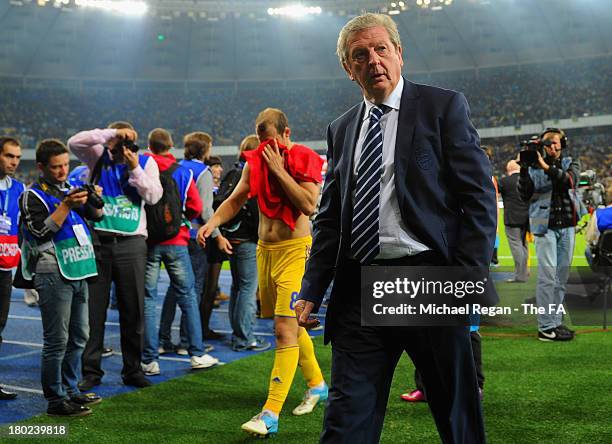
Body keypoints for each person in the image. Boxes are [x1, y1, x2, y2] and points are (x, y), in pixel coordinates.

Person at [294, 13, 497, 443]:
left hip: (428, 279)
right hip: (359, 284)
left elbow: (477, 199)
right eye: (360, 55)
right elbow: (330, 215)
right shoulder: (342, 128)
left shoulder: (443, 106)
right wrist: (313, 287)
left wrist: (464, 280)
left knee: (456, 415)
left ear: (399, 54)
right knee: (347, 418)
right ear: (349, 70)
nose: (374, 60)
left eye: (381, 49)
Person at [198, 108, 328, 437]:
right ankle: (317, 384)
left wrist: (279, 170)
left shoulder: (303, 157)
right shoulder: (255, 161)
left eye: (269, 140)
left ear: (286, 133)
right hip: (264, 252)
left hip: (296, 253)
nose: (265, 147)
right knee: (290, 328)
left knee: (285, 329)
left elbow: (309, 205)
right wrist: (212, 222)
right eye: (260, 141)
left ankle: (269, 414)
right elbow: (235, 199)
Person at [68, 121, 163, 390]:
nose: (122, 147)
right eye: (118, 142)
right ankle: (91, 371)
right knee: (93, 311)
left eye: (127, 141)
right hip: (98, 241)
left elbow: (154, 196)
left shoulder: (145, 162)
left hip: (132, 242)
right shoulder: (97, 156)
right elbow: (75, 141)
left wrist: (134, 167)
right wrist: (110, 135)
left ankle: (132, 370)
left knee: (133, 310)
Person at [20, 139, 103, 416]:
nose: (63, 171)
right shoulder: (33, 195)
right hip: (53, 271)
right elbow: (40, 232)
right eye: (56, 167)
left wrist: (93, 198)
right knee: (56, 341)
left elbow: (98, 215)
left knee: (80, 336)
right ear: (41, 167)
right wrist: (67, 205)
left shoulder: (70, 189)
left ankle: (71, 390)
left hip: (79, 269)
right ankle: (55, 401)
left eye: (66, 165)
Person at [141, 128, 218, 374]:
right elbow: (196, 207)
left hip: (149, 241)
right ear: (171, 145)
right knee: (187, 295)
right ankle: (196, 353)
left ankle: (150, 359)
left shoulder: (142, 166)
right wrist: (179, 221)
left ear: (149, 146)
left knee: (149, 299)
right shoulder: (182, 172)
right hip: (177, 241)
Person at [518, 128, 581, 342]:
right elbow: (524, 194)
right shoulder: (534, 166)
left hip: (568, 226)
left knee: (561, 278)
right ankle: (545, 327)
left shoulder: (571, 162)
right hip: (544, 227)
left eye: (556, 142)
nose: (552, 146)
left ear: (563, 143)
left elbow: (569, 182)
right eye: (548, 143)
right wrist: (525, 170)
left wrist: (544, 166)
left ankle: (555, 321)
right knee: (547, 278)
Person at [220, 134, 269, 352]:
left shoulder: (232, 171)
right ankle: (244, 337)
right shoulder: (249, 173)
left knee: (238, 287)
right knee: (248, 289)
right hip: (248, 238)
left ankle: (237, 334)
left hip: (233, 236)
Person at [0, 137, 24, 401]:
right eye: (9, 156)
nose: (14, 162)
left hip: (5, 269)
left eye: (17, 157)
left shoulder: (18, 188)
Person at [499, 159, 530, 282]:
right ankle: (524, 272)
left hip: (512, 218)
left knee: (516, 246)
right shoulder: (527, 180)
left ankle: (520, 275)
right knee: (524, 246)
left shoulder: (505, 181)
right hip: (526, 218)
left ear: (508, 170)